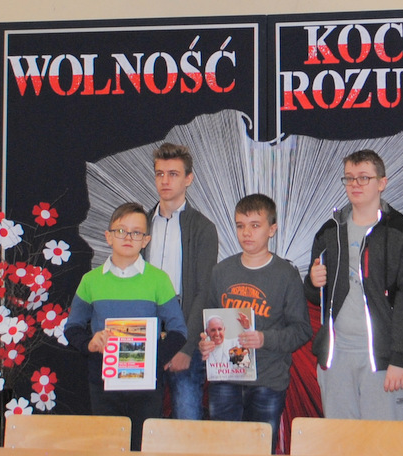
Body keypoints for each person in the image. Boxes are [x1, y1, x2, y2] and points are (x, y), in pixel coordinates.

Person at [304, 149, 403, 420]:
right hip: (336, 357)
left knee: (383, 440)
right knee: (340, 440)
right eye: (349, 178)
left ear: (382, 183)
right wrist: (313, 283)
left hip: (382, 360)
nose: (355, 184)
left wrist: (400, 359)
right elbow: (315, 295)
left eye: (363, 178)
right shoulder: (329, 231)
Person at [65, 202, 187, 451]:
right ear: (108, 236)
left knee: (143, 446)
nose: (128, 237)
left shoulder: (159, 280)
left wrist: (153, 360)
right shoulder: (90, 281)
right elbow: (72, 327)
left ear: (146, 240)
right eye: (121, 231)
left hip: (146, 385)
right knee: (107, 446)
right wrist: (90, 344)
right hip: (103, 382)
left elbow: (179, 331)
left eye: (136, 232)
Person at [199, 194, 312, 453]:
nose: (246, 233)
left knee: (259, 449)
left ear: (272, 229)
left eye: (255, 225)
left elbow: (302, 330)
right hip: (224, 379)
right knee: (223, 450)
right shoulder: (221, 272)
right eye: (240, 225)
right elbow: (207, 323)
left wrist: (264, 339)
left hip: (267, 381)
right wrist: (204, 343)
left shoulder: (286, 275)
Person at [145, 142, 218, 420]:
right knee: (143, 420)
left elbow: (204, 291)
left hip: (184, 330)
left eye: (173, 174)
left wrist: (186, 348)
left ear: (188, 179)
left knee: (186, 420)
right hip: (144, 334)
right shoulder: (140, 225)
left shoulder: (203, 228)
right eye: (160, 174)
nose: (165, 180)